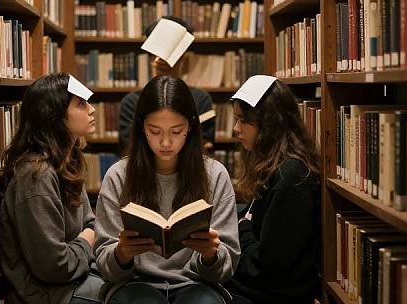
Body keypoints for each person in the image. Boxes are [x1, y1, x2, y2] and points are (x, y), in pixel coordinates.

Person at [94, 75, 240, 303]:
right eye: (155, 131)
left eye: (175, 131)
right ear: (142, 127)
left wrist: (210, 256)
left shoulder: (215, 174)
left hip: (197, 282)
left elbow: (226, 268)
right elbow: (106, 267)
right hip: (135, 282)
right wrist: (122, 254)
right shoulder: (118, 175)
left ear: (190, 127)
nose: (165, 143)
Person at [0, 73, 105, 304]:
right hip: (45, 294)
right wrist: (87, 240)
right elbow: (55, 266)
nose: (92, 110)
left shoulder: (68, 160)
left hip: (74, 278)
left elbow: (90, 224)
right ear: (55, 116)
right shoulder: (36, 176)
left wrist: (87, 237)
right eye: (81, 104)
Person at [224, 75, 321, 304]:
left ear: (269, 124)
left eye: (243, 121)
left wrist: (243, 229)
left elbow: (268, 267)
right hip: (259, 283)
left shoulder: (291, 178)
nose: (236, 129)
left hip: (272, 294)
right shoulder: (275, 165)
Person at [118, 16, 215, 151]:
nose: (162, 59)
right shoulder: (131, 102)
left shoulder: (201, 99)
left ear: (183, 54)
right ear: (150, 55)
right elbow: (129, 149)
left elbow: (205, 147)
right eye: (156, 52)